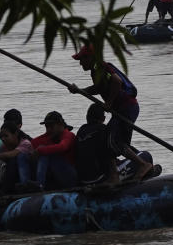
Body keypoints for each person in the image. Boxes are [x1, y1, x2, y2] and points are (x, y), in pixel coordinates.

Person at [69, 45, 153, 181]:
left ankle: (143, 165)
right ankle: (117, 173)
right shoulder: (95, 71)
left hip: (127, 107)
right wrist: (79, 90)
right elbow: (97, 88)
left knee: (114, 141)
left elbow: (117, 81)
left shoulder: (101, 67)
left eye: (82, 59)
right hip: (121, 109)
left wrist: (109, 102)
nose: (80, 63)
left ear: (91, 58)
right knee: (113, 140)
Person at [29, 111, 78, 190]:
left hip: (70, 176)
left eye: (51, 126)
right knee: (24, 155)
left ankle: (40, 184)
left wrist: (40, 150)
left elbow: (63, 147)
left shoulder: (68, 135)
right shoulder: (51, 136)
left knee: (44, 153)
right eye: (47, 126)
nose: (48, 129)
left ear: (60, 125)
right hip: (56, 176)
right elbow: (34, 142)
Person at [0, 123, 34, 193]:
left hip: (28, 174)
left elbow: (12, 154)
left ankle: (24, 187)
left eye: (6, 136)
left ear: (16, 134)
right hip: (13, 176)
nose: (3, 139)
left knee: (15, 159)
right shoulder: (5, 146)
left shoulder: (25, 143)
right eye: (2, 136)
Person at [75, 103, 109, 185]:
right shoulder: (103, 129)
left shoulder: (81, 129)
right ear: (103, 118)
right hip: (99, 178)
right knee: (144, 155)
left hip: (82, 179)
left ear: (87, 117)